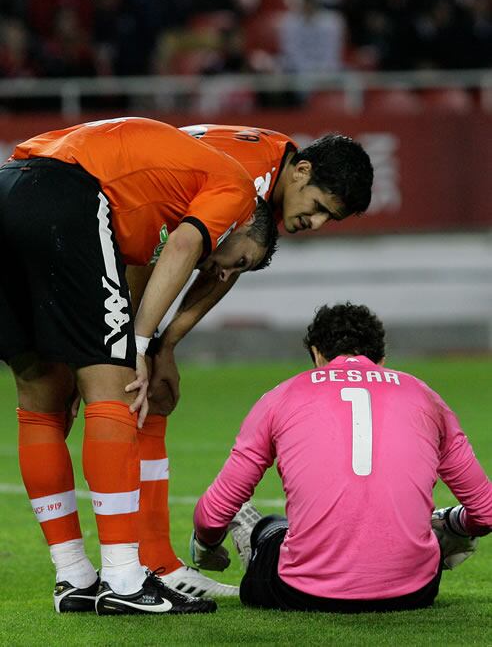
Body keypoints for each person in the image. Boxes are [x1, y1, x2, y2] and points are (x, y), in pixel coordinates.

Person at [0, 116, 278, 615]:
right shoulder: (238, 191)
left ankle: (73, 576)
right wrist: (140, 346)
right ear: (242, 227)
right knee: (117, 390)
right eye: (241, 259)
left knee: (39, 395)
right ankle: (126, 582)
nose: (224, 271)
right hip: (68, 194)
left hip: (9, 185)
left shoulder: (158, 193)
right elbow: (186, 244)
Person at [134, 123, 374, 597]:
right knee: (115, 392)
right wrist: (139, 342)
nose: (316, 224)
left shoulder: (266, 176)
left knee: (150, 396)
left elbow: (228, 263)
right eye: (319, 208)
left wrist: (165, 345)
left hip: (118, 229)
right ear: (302, 172)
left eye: (331, 219)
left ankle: (149, 562)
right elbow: (155, 239)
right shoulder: (247, 177)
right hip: (104, 224)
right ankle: (130, 571)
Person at [188, 302, 491, 611]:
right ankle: (443, 524)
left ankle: (257, 542)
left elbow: (211, 516)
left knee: (273, 528)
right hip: (413, 594)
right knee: (429, 526)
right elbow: (486, 511)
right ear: (381, 359)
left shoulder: (280, 396)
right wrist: (458, 525)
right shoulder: (426, 396)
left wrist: (207, 545)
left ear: (317, 354)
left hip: (299, 592)